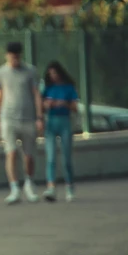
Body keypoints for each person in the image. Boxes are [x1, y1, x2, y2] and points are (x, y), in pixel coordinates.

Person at [0, 42, 44, 205]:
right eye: (12, 56)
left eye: (17, 56)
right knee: (11, 152)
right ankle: (14, 187)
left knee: (28, 155)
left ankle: (29, 183)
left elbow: (36, 94)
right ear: (7, 56)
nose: (15, 59)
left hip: (28, 118)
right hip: (9, 118)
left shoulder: (30, 71)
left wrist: (39, 117)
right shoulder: (0, 73)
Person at [41, 61, 78, 202]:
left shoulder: (68, 88)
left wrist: (64, 103)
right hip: (51, 122)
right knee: (50, 157)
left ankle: (70, 187)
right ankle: (51, 187)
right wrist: (47, 105)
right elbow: (42, 105)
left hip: (64, 121)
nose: (53, 76)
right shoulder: (48, 88)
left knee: (66, 157)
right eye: (50, 74)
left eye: (55, 73)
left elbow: (75, 107)